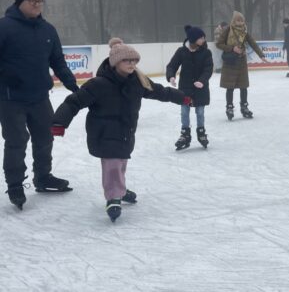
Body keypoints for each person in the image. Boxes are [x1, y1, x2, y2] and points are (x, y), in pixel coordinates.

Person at [51, 39, 190, 222]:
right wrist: (59, 123)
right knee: (113, 165)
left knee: (120, 163)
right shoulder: (98, 84)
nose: (132, 64)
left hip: (125, 131)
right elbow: (74, 101)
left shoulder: (138, 82)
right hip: (103, 131)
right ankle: (114, 197)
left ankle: (120, 190)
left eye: (134, 61)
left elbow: (159, 91)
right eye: (127, 61)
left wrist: (182, 98)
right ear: (116, 62)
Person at [0, 0, 79, 210]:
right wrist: (5, 75)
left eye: (39, 1)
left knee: (45, 138)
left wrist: (72, 85)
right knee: (16, 142)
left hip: (39, 97)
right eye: (31, 1)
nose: (36, 5)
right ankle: (15, 184)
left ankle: (43, 177)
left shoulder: (48, 30)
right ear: (19, 3)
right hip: (10, 98)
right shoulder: (4, 27)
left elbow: (58, 61)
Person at [167, 25, 214, 150]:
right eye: (201, 37)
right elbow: (171, 66)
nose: (204, 39)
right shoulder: (181, 51)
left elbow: (208, 69)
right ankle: (185, 135)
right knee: (184, 111)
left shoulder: (206, 52)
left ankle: (201, 132)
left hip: (200, 89)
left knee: (200, 112)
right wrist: (171, 76)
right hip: (185, 89)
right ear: (193, 39)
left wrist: (202, 81)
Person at [216, 11, 268, 120]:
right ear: (234, 20)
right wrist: (232, 48)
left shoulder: (244, 32)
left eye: (241, 20)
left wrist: (261, 55)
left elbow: (252, 43)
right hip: (230, 62)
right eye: (238, 20)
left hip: (241, 63)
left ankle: (244, 107)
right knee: (230, 87)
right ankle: (229, 107)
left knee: (243, 87)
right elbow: (219, 44)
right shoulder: (227, 30)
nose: (240, 22)